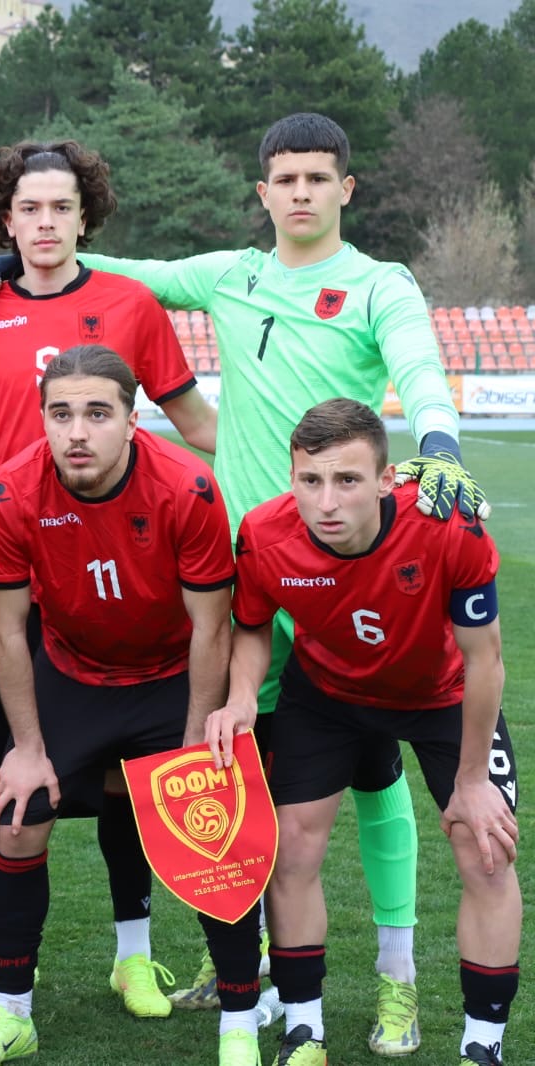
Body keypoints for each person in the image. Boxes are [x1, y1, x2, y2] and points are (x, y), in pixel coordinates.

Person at [0, 113, 488, 1047]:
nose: (302, 193)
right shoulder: (232, 274)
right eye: (286, 179)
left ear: (345, 189)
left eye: (319, 178)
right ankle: (252, 965)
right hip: (249, 564)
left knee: (373, 769)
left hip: (346, 555)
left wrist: (437, 439)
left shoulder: (380, 284)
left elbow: (419, 366)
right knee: (247, 763)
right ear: (263, 191)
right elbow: (105, 265)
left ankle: (396, 976)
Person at [0, 140, 217, 1013]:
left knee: (130, 773)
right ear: (5, 221)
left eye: (61, 207)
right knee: (16, 771)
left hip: (118, 568)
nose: (45, 223)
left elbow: (197, 425)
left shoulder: (129, 304)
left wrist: (304, 465)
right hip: (18, 569)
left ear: (86, 217)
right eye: (29, 209)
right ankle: (10, 958)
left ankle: (134, 954)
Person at [0, 345, 260, 1066]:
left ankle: (239, 1025)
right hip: (73, 673)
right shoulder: (10, 493)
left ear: (132, 419)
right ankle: (13, 1017)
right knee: (18, 818)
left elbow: (212, 627)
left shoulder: (186, 487)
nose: (78, 432)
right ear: (42, 420)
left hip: (169, 678)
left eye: (97, 414)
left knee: (215, 832)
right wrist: (26, 750)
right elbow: (6, 630)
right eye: (61, 415)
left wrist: (194, 743)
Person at [207, 398, 518, 1066]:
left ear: (384, 479)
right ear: (291, 477)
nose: (326, 502)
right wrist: (240, 699)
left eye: (346, 480)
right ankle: (303, 1029)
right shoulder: (264, 534)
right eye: (310, 480)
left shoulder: (447, 527)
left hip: (442, 696)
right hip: (329, 696)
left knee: (486, 850)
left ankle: (482, 1046)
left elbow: (485, 660)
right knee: (292, 849)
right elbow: (252, 625)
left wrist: (471, 781)